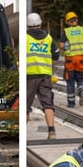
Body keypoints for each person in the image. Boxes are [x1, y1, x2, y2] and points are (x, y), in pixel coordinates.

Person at [25, 12, 59, 140]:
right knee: (48, 103)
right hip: (45, 75)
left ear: (28, 25)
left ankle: (22, 134)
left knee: (25, 107)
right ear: (40, 24)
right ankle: (51, 132)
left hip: (29, 76)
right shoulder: (48, 38)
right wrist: (48, 66)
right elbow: (55, 56)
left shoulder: (26, 38)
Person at [58, 12, 83, 108]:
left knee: (70, 80)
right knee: (81, 78)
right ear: (77, 20)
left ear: (68, 22)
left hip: (70, 59)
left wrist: (65, 49)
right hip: (81, 58)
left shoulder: (66, 31)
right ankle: (82, 90)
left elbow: (61, 46)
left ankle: (71, 103)